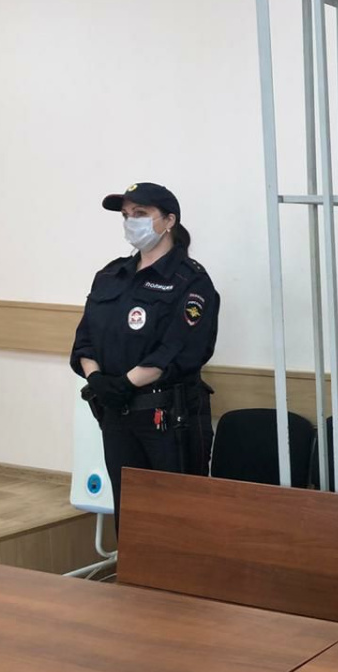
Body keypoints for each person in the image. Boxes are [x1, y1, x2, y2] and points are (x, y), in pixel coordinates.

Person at [70, 183, 220, 529]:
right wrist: (97, 379)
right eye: (126, 215)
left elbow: (179, 349)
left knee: (177, 519)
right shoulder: (112, 275)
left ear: (169, 221)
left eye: (140, 214)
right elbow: (85, 338)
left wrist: (126, 383)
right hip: (114, 412)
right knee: (130, 517)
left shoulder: (191, 280)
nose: (130, 222)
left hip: (166, 416)